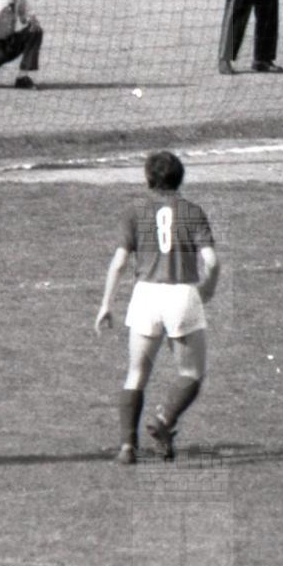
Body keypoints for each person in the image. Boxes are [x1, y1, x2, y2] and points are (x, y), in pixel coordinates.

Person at [94, 151, 219, 464]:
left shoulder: (134, 212)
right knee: (191, 372)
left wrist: (106, 304)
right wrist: (208, 287)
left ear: (148, 178)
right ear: (180, 177)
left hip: (146, 296)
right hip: (182, 295)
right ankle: (164, 420)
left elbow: (119, 263)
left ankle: (127, 447)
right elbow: (212, 261)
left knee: (136, 374)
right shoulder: (192, 211)